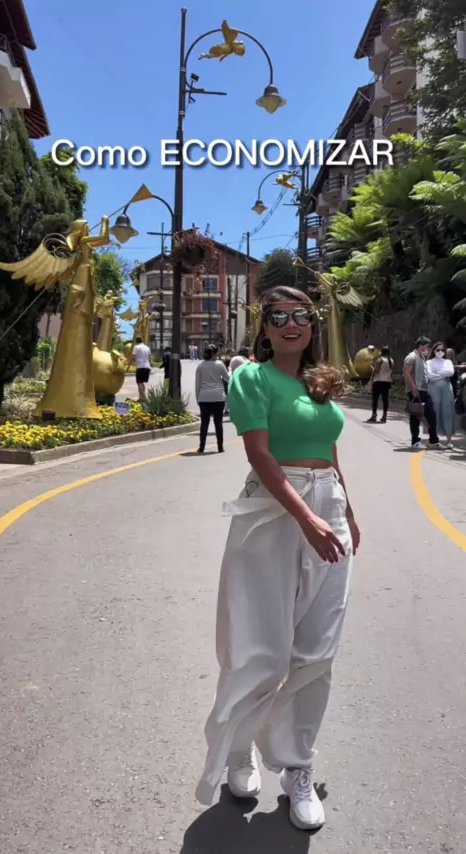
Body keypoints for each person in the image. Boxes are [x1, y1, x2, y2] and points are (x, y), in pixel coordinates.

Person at [196, 286, 360, 832]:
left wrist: (345, 510)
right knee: (257, 646)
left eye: (301, 315)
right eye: (278, 316)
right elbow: (259, 453)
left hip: (328, 505)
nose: (291, 324)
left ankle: (297, 766)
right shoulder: (251, 378)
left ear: (312, 324)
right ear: (264, 327)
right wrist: (305, 518)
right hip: (271, 510)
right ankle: (239, 748)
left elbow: (330, 451)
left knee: (318, 649)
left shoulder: (320, 383)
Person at [403, 336, 442, 449]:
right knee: (415, 416)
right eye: (427, 347)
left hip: (424, 390)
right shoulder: (411, 357)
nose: (428, 349)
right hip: (415, 390)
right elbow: (406, 373)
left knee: (431, 415)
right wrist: (413, 387)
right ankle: (415, 440)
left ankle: (433, 440)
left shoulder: (422, 358)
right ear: (421, 346)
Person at [195, 345, 230, 454]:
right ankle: (220, 447)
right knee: (218, 423)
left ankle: (201, 447)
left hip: (204, 397)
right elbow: (227, 378)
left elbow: (197, 384)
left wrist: (198, 399)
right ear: (214, 354)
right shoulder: (219, 364)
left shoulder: (200, 366)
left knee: (204, 423)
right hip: (218, 397)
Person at [427, 342, 455, 448]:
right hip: (433, 389)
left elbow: (450, 372)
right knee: (434, 412)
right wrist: (442, 374)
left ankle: (449, 440)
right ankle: (434, 439)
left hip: (446, 389)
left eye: (442, 350)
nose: (440, 352)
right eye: (438, 350)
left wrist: (437, 374)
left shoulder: (448, 361)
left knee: (448, 412)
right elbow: (429, 375)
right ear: (434, 350)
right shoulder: (429, 362)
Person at [367, 346, 394, 423]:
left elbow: (376, 371)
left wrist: (372, 369)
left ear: (382, 352)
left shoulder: (380, 360)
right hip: (387, 382)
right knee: (385, 400)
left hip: (378, 382)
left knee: (375, 399)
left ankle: (374, 415)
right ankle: (384, 415)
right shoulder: (391, 360)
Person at [132, 336, 151, 400]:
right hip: (147, 367)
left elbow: (133, 357)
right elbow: (149, 358)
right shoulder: (147, 347)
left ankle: (143, 398)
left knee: (139, 383)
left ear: (136, 341)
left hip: (140, 367)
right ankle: (141, 397)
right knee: (142, 382)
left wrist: (134, 361)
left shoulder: (136, 347)